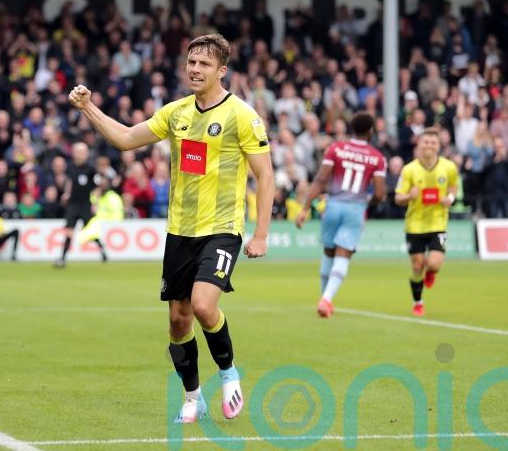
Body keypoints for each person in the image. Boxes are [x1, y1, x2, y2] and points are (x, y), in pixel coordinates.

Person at [68, 34, 274, 425]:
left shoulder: (242, 116)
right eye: (191, 62)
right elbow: (127, 139)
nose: (195, 69)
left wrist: (260, 233)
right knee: (178, 321)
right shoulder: (176, 112)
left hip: (222, 229)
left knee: (202, 306)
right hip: (180, 231)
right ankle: (193, 398)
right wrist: (88, 107)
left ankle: (229, 374)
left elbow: (265, 176)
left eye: (204, 64)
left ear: (222, 71)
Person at [295, 112, 387, 318]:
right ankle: (326, 299)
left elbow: (319, 180)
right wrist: (367, 202)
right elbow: (380, 194)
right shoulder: (377, 157)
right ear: (371, 131)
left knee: (329, 252)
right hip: (355, 208)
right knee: (343, 254)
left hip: (333, 205)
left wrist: (305, 208)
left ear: (351, 129)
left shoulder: (336, 148)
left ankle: (324, 297)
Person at [394, 128, 459, 316]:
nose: (429, 146)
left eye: (433, 143)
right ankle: (418, 302)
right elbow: (398, 199)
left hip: (438, 223)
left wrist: (451, 198)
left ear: (439, 146)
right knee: (416, 266)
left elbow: (454, 186)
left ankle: (431, 273)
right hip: (414, 225)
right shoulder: (409, 170)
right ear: (419, 144)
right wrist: (409, 196)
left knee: (434, 264)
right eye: (426, 142)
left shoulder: (449, 167)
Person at [54, 142, 107, 268]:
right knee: (69, 232)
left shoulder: (90, 170)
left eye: (82, 152)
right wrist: (66, 193)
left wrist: (95, 203)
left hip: (85, 205)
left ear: (86, 154)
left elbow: (97, 188)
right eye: (77, 152)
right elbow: (69, 182)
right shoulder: (70, 168)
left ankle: (102, 250)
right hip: (73, 204)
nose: (80, 154)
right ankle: (62, 258)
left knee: (89, 232)